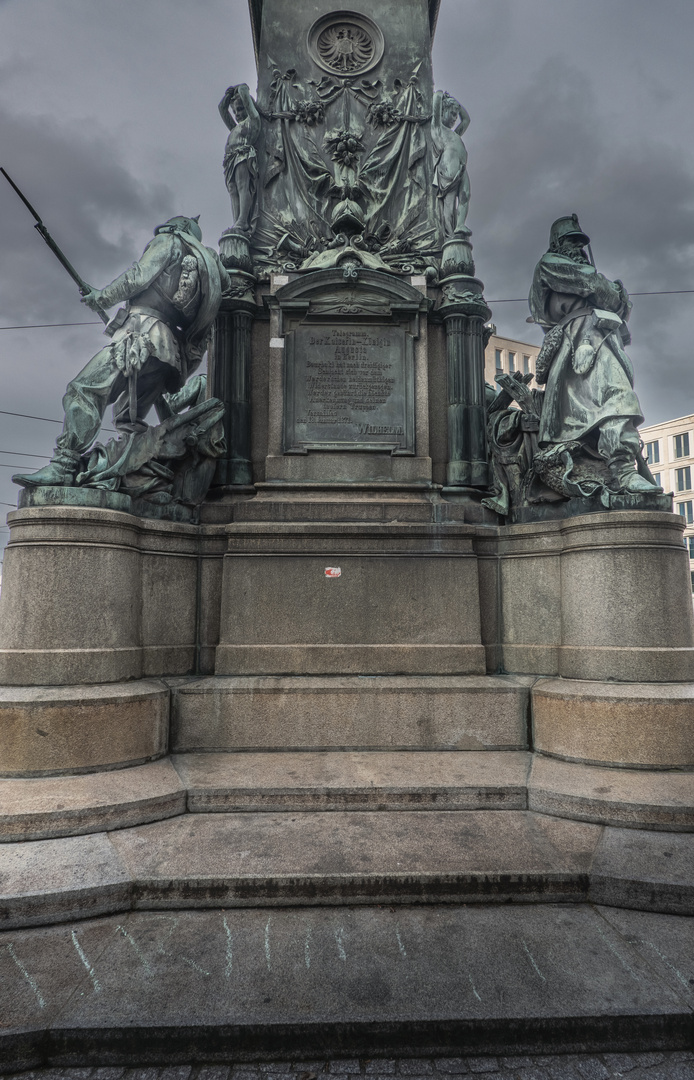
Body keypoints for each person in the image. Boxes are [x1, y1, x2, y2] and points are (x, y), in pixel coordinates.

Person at [14, 215, 230, 489]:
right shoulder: (204, 266)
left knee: (85, 389)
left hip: (140, 337)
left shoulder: (170, 242)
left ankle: (63, 466)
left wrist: (101, 297)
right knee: (130, 421)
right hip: (167, 353)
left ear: (177, 228)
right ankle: (132, 482)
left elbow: (138, 276)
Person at [529, 214, 660, 495]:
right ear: (557, 243)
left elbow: (619, 305)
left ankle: (623, 470)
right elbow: (590, 283)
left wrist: (612, 294)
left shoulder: (575, 269)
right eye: (571, 240)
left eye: (580, 241)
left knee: (620, 396)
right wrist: (612, 290)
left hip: (603, 340)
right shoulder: (549, 265)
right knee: (617, 396)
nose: (578, 246)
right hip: (572, 348)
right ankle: (621, 470)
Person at [218, 83, 262, 234]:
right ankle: (237, 220)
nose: (237, 114)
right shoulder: (235, 127)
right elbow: (221, 109)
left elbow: (244, 89)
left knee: (243, 186)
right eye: (235, 111)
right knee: (233, 189)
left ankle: (243, 220)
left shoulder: (253, 120)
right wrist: (228, 97)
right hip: (230, 159)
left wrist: (239, 89)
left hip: (243, 155)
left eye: (241, 109)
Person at [432, 90, 471, 238]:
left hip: (461, 168)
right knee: (449, 203)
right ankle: (449, 236)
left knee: (465, 195)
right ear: (443, 112)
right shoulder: (438, 129)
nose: (455, 118)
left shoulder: (456, 133)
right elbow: (436, 101)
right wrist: (442, 95)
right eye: (452, 114)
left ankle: (460, 225)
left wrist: (456, 105)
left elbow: (466, 120)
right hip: (448, 169)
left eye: (456, 115)